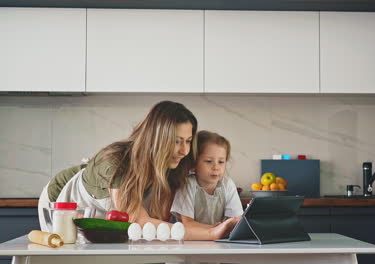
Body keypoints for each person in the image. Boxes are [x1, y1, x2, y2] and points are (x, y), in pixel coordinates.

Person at [38, 101, 238, 240]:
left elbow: (158, 222)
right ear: (157, 139)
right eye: (177, 142)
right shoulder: (116, 161)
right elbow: (139, 221)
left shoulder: (172, 165)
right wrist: (212, 234)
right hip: (65, 203)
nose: (184, 151)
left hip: (110, 214)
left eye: (187, 141)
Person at [171, 130, 243, 231]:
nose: (216, 167)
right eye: (209, 161)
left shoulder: (228, 184)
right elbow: (187, 224)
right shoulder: (187, 185)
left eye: (221, 162)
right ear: (194, 163)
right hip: (190, 242)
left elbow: (236, 219)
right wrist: (215, 229)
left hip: (219, 241)